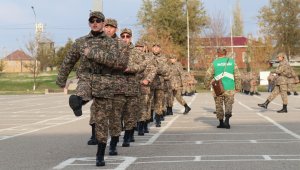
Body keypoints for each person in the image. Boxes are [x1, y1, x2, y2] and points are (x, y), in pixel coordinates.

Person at [56, 11, 127, 167]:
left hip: (105, 81)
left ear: (103, 23)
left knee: (102, 122)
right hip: (87, 78)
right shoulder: (81, 42)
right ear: (89, 23)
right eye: (92, 20)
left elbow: (119, 63)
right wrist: (61, 80)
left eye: (98, 20)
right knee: (76, 96)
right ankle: (78, 103)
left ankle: (100, 154)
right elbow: (68, 61)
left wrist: (93, 54)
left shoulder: (112, 43)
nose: (95, 23)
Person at [204, 47, 241, 129]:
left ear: (218, 53)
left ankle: (221, 123)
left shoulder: (215, 63)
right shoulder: (232, 62)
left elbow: (208, 75)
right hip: (230, 87)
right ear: (225, 53)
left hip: (218, 88)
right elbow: (237, 75)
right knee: (229, 104)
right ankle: (227, 121)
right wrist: (238, 87)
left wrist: (206, 85)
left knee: (219, 105)